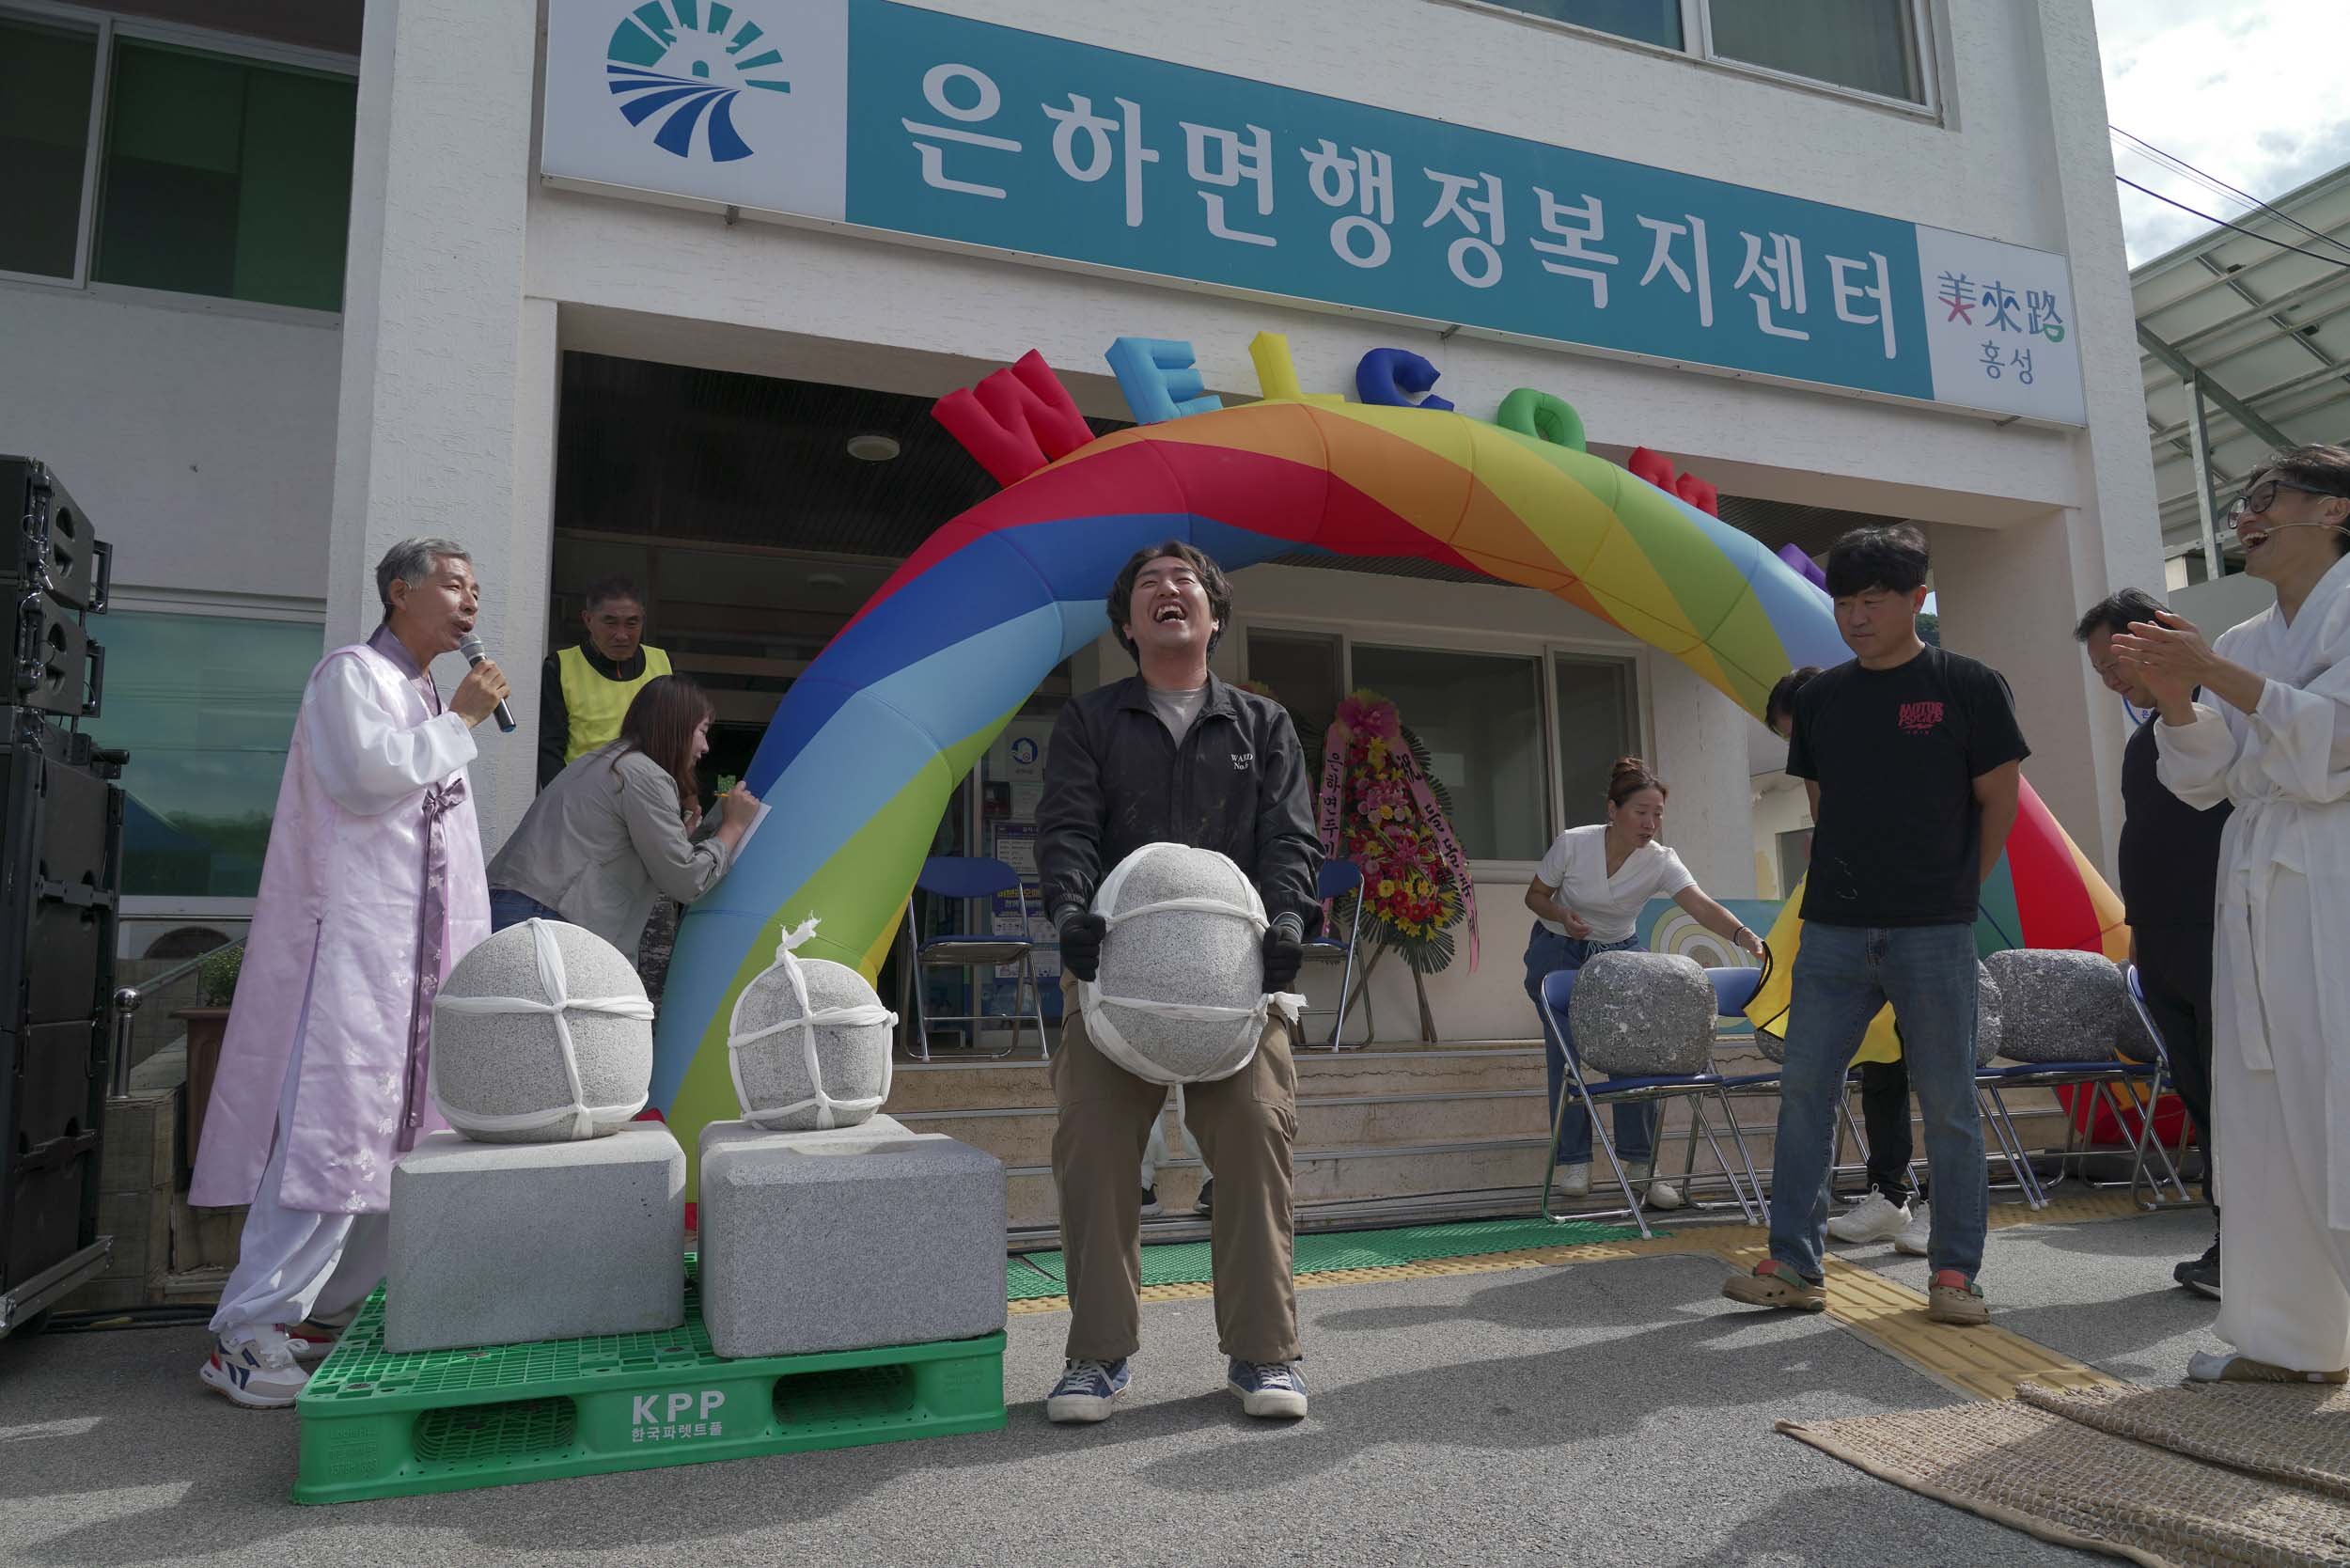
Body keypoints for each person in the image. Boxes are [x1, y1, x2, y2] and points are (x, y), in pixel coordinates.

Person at [188, 539, 509, 1407]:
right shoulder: (352, 676)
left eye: (477, 589)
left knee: (405, 1142)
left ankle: (328, 1314)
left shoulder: (427, 693)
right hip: (356, 958)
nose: (471, 601)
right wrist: (463, 724)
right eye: (454, 585)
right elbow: (367, 781)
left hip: (417, 963)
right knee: (332, 1135)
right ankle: (247, 1330)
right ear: (400, 591)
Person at [1036, 541, 1320, 1424]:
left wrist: (1288, 923)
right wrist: (1070, 911)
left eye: (1186, 580)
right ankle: (1097, 1356)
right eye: (1150, 584)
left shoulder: (1262, 725)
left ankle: (1264, 1353)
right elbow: (1067, 829)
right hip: (1111, 976)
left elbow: (1290, 839)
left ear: (1214, 613)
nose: (1169, 589)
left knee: (1255, 1133)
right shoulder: (1090, 720)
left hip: (1238, 978)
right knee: (1093, 1142)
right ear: (1127, 624)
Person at [1723, 524, 2026, 1328]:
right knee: (1804, 1091)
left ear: (1917, 599)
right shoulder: (1821, 698)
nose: (1855, 617)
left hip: (1933, 928)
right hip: (1833, 931)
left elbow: (1999, 799)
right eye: (1844, 603)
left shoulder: (1969, 685)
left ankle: (1955, 1273)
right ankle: (1794, 1264)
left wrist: (1957, 890)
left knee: (1949, 1102)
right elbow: (1824, 811)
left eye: (1873, 600)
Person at [2113, 444, 2350, 1385]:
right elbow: (2209, 780)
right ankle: (2293, 1339)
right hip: (2257, 878)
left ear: (2334, 510)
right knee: (2263, 1105)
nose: (2245, 515)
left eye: (2268, 496)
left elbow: (2338, 738)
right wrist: (2179, 699)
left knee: (2335, 1088)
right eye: (2242, 500)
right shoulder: (2249, 638)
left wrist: (2208, 667)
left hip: (2335, 866)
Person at [2076, 588, 2231, 1300]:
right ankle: (2232, 1238)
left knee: (2234, 1095)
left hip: (2221, 936)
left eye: (2116, 660)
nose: (2111, 677)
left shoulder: (2219, 713)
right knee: (2200, 1092)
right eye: (2101, 669)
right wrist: (2140, 935)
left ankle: (2251, 1248)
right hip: (2163, 945)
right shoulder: (2147, 737)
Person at [1524, 758, 1765, 1211]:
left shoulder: (1660, 860)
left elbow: (1700, 906)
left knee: (1635, 1054)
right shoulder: (1574, 843)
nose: (1650, 823)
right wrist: (1561, 914)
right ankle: (1574, 1162)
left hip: (1621, 954)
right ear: (1613, 810)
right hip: (1560, 949)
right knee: (1566, 1054)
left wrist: (1744, 936)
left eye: (1657, 814)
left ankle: (1641, 1165)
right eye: (1641, 812)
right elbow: (1534, 895)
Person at [1767, 667, 1932, 1256]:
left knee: (1931, 1067)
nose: (1797, 751)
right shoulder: (1824, 773)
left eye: (1797, 734)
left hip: (1918, 919)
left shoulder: (1894, 745)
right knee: (1879, 1063)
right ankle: (1890, 1194)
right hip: (1849, 923)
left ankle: (1937, 1207)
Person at [488, 674, 760, 954]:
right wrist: (733, 827)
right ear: (676, 727)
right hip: (547, 917)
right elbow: (685, 880)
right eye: (702, 731)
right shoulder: (646, 776)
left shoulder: (602, 760)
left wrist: (677, 838)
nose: (706, 747)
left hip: (514, 906)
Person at [538, 575, 670, 790]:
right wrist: (559, 799)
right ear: (588, 619)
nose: (622, 635)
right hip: (584, 795)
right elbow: (549, 748)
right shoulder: (560, 667)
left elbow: (678, 738)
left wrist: (686, 793)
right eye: (610, 623)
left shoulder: (662, 663)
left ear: (643, 619)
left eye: (632, 623)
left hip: (648, 793)